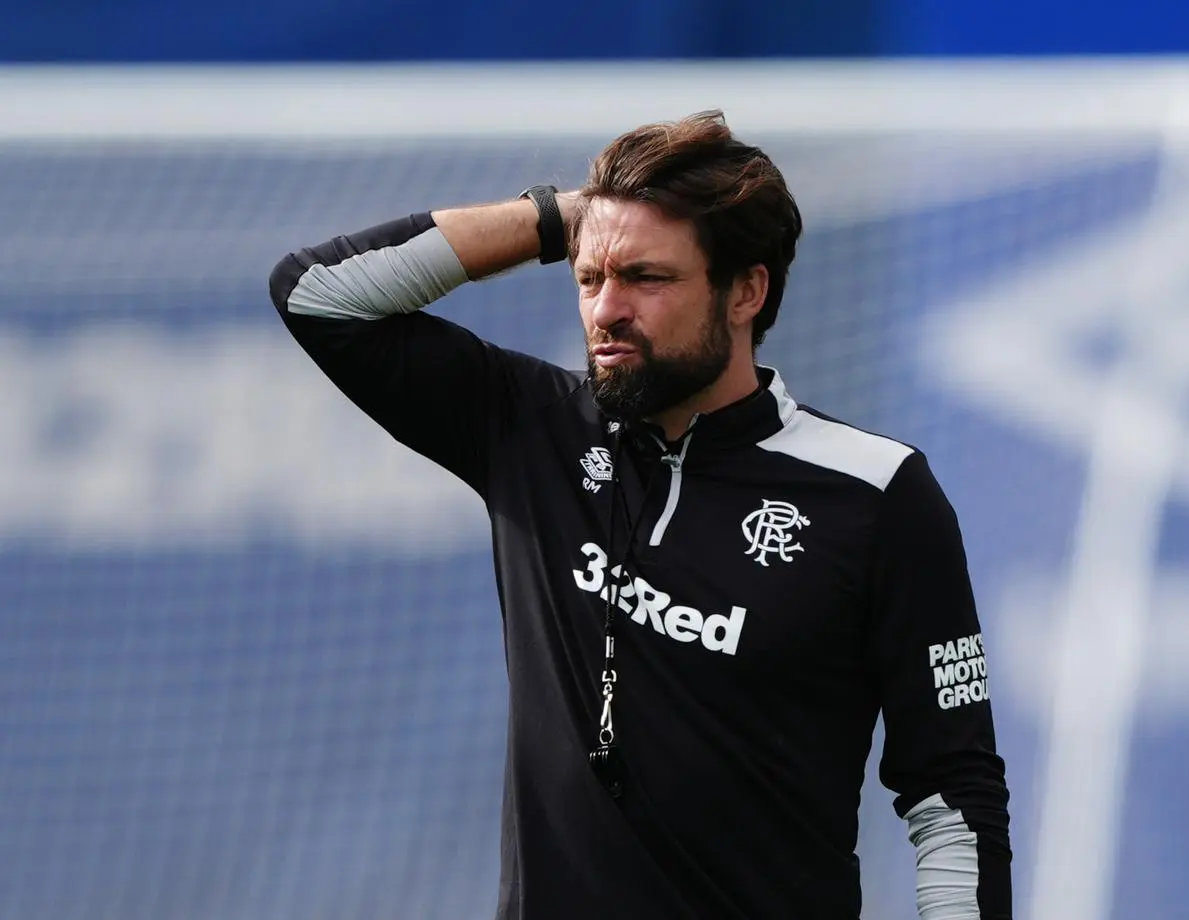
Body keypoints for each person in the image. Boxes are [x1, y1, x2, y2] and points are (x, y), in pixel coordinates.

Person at [268, 110, 1012, 919]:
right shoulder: (529, 427)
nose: (605, 311)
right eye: (590, 279)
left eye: (646, 279)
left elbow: (953, 803)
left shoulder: (878, 493)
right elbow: (317, 295)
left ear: (746, 291)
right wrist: (563, 216)